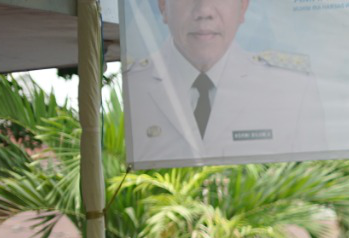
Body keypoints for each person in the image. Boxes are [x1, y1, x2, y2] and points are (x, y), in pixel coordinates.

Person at [125, 0, 327, 165]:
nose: (204, 11)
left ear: (243, 7)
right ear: (163, 6)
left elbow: (316, 185)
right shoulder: (131, 87)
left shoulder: (293, 90)